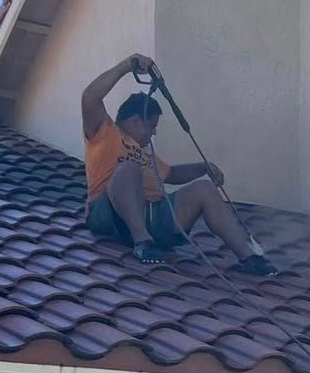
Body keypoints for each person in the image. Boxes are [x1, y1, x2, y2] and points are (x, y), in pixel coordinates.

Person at [81, 56, 276, 274]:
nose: (153, 132)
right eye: (152, 126)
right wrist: (127, 66)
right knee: (128, 168)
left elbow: (172, 173)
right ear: (137, 120)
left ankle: (249, 258)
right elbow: (90, 97)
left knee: (204, 189)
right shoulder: (104, 132)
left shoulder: (145, 154)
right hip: (109, 215)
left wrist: (204, 167)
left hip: (152, 217)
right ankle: (143, 243)